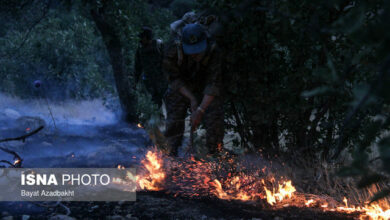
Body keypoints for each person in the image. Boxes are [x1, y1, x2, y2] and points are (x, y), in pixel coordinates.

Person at [163, 23, 224, 157]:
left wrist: (200, 110)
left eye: (198, 51)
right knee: (174, 112)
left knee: (214, 114)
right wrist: (192, 99)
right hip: (182, 89)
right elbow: (174, 80)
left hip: (204, 89)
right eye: (191, 51)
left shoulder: (213, 50)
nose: (194, 55)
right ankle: (170, 154)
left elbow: (213, 84)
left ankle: (215, 155)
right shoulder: (173, 50)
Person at [134, 26, 167, 107]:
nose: (140, 39)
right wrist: (135, 82)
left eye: (142, 37)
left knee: (170, 102)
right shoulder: (140, 49)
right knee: (156, 105)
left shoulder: (159, 45)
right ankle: (160, 118)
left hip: (164, 81)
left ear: (147, 37)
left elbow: (168, 61)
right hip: (151, 84)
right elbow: (137, 67)